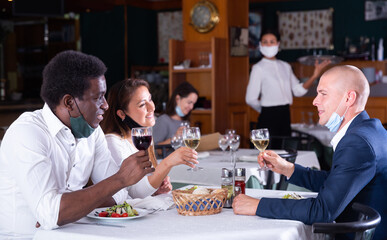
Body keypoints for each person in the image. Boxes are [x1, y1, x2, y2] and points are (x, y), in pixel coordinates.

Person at [0, 50, 154, 238]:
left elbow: (120, 195)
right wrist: (119, 179)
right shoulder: (27, 133)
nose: (106, 105)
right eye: (98, 97)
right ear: (69, 102)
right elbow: (53, 215)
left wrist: (68, 208)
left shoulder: (93, 131)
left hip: (74, 233)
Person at [234, 65, 387, 240]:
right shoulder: (371, 130)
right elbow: (337, 182)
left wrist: (258, 205)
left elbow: (322, 210)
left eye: (323, 94)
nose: (315, 101)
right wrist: (288, 169)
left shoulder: (357, 143)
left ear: (349, 98)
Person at [101, 79, 198, 198]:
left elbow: (143, 185)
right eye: (142, 104)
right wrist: (168, 163)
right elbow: (135, 193)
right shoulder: (112, 142)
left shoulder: (144, 137)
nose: (151, 107)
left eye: (150, 99)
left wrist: (156, 188)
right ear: (122, 114)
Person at [245, 28, 331, 139]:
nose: (269, 45)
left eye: (272, 42)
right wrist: (264, 109)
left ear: (278, 44)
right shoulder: (258, 68)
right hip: (268, 116)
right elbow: (250, 99)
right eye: (265, 42)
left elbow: (298, 90)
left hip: (285, 115)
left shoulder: (285, 66)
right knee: (268, 152)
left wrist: (315, 75)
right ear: (260, 45)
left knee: (284, 151)